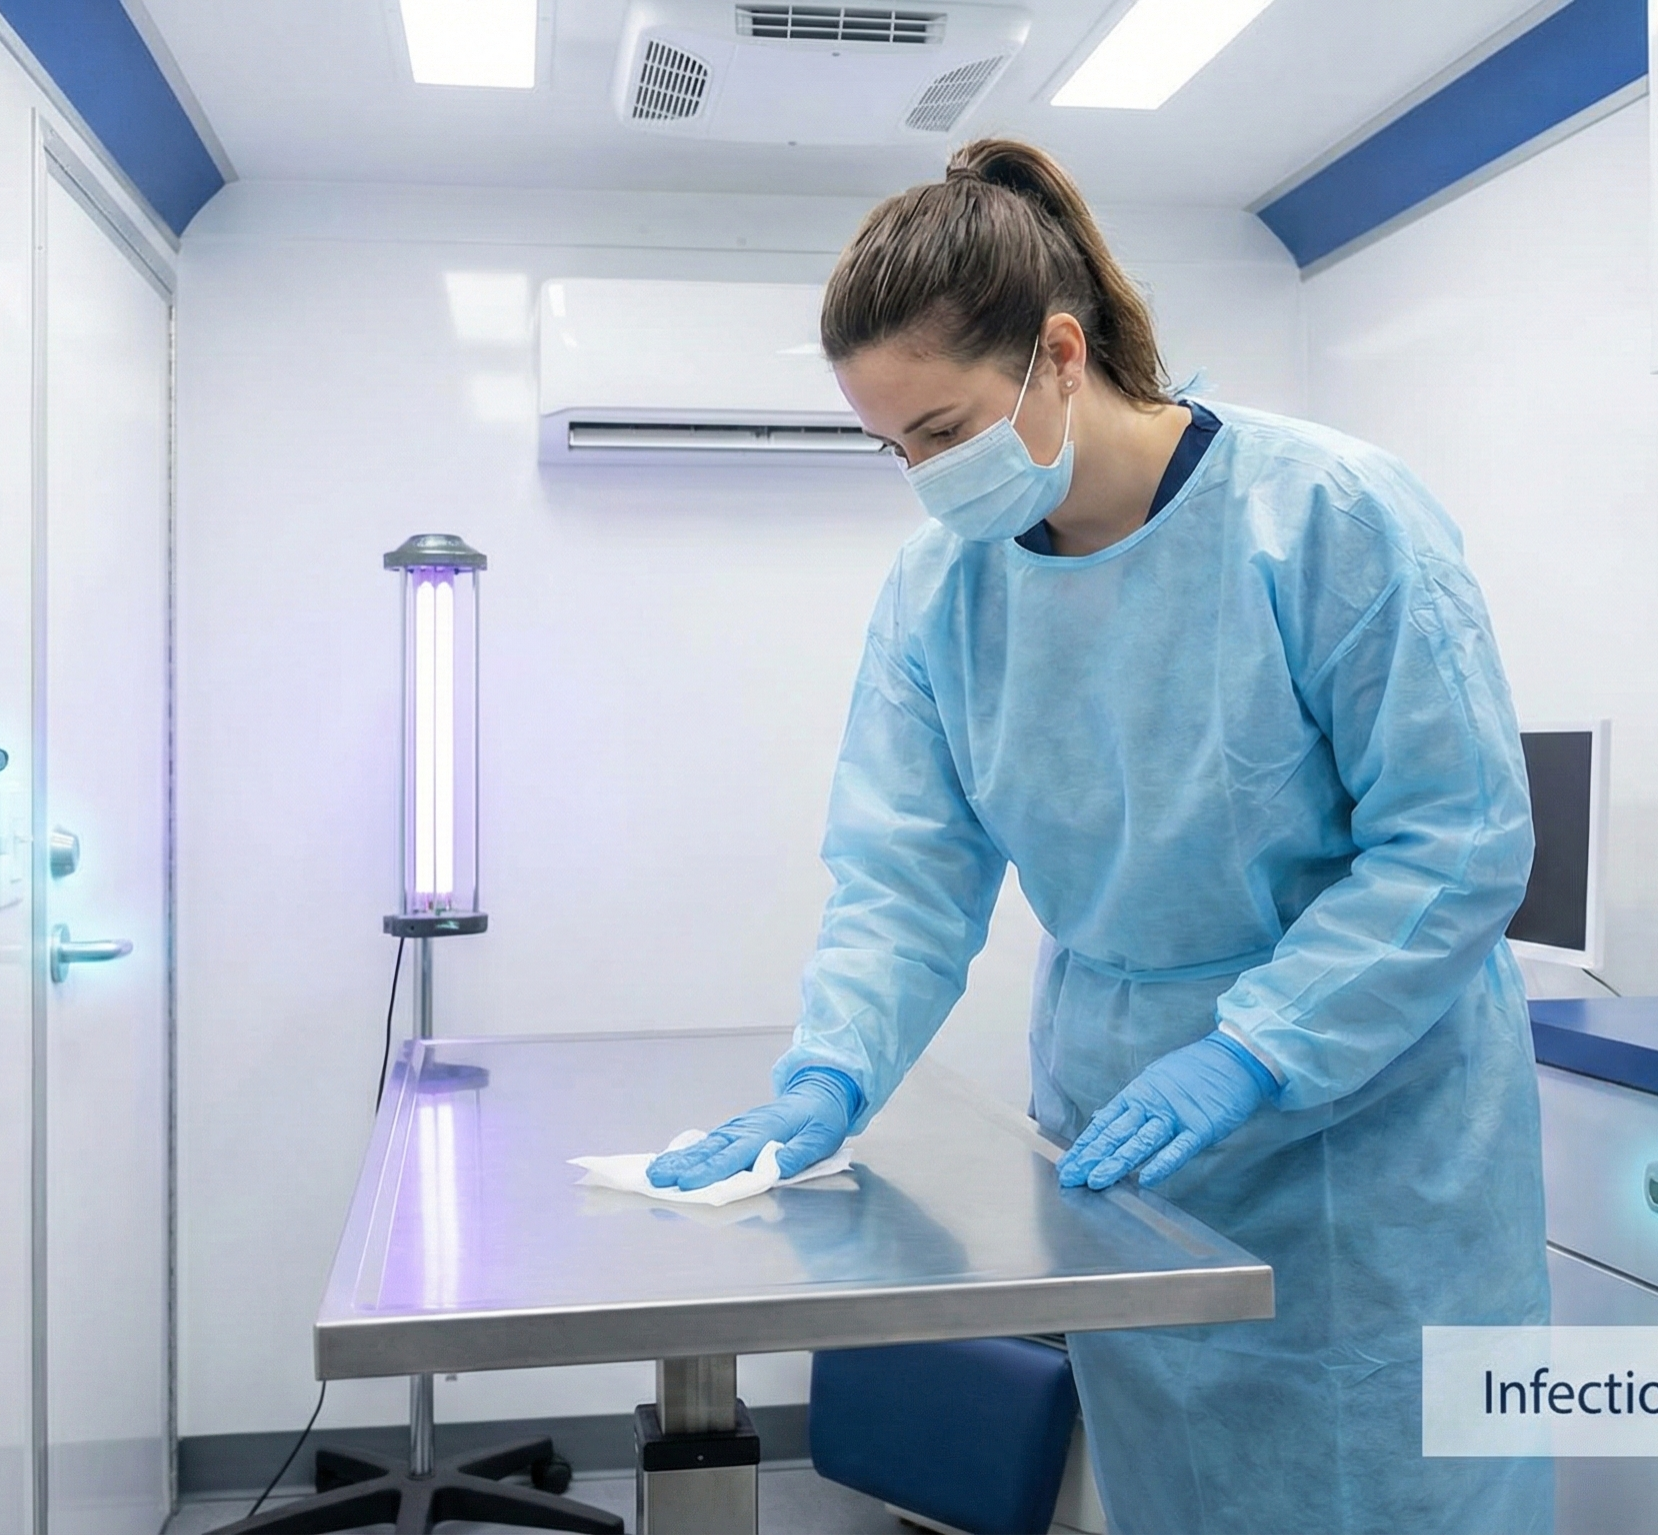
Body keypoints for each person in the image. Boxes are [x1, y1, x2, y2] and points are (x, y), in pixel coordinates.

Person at [646, 137, 1552, 1535]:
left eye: (941, 432)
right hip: (1130, 1133)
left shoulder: (1327, 518)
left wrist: (1257, 1049)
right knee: (1181, 1486)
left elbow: (1459, 844)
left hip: (1367, 1137)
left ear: (1058, 356)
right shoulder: (942, 589)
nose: (922, 478)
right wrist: (831, 1074)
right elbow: (905, 872)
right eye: (893, 448)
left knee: (1390, 1488)